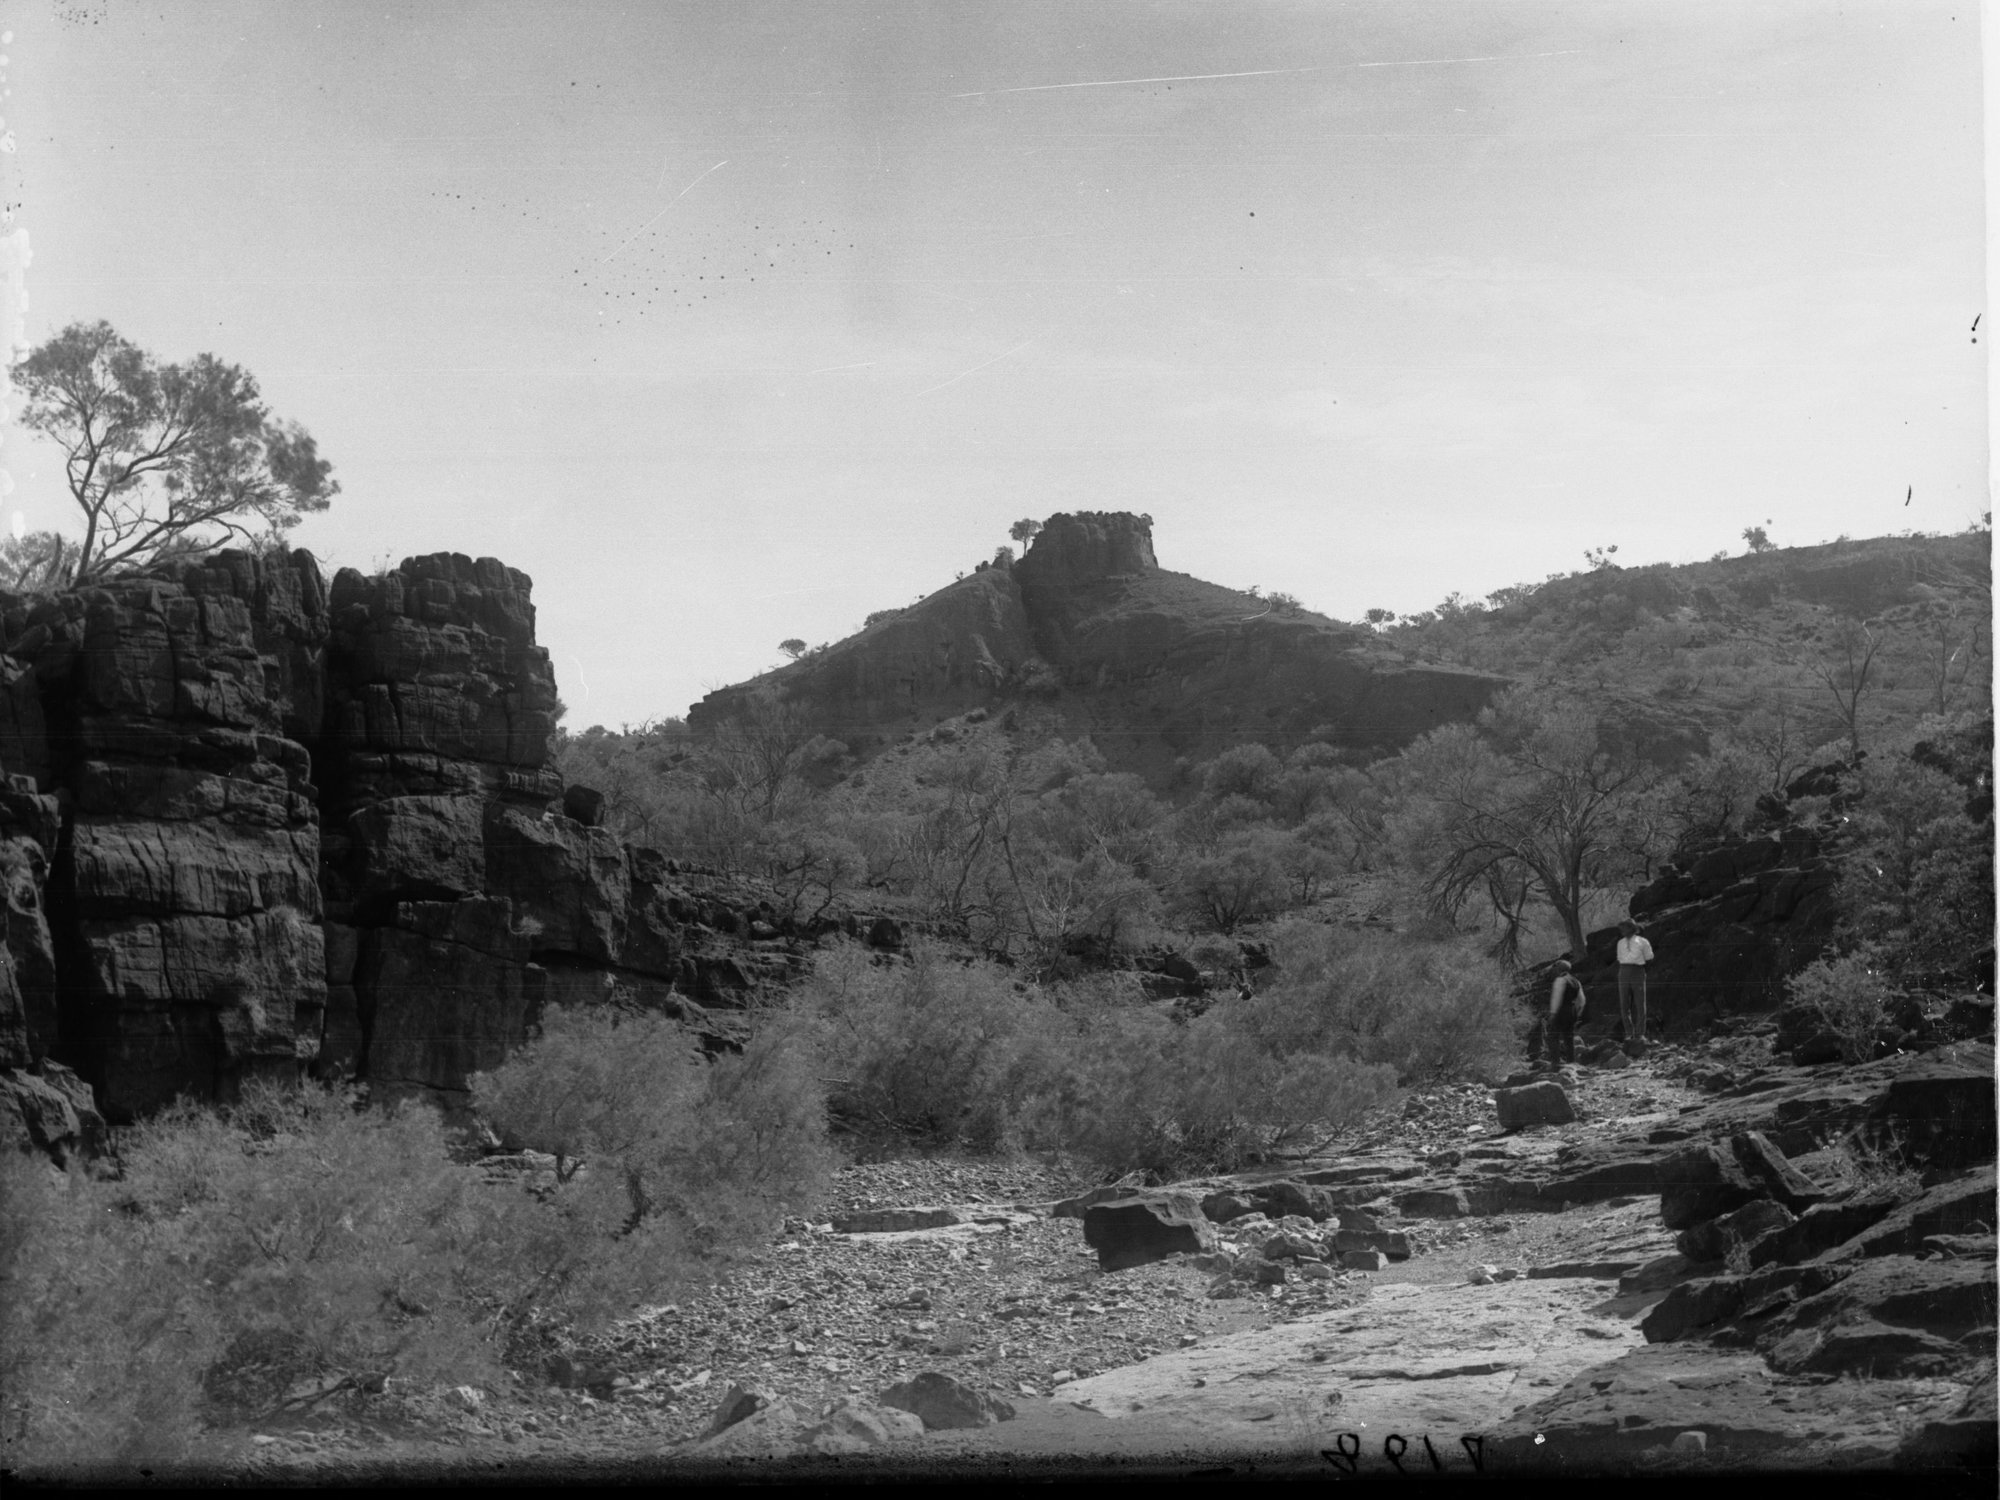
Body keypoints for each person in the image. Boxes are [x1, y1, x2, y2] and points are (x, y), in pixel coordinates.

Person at [1616, 920, 1655, 1043]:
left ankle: (1640, 1033)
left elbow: (1649, 958)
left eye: (1624, 928)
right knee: (1624, 1003)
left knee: (1639, 1003)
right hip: (1623, 971)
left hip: (1637, 970)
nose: (1622, 931)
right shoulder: (1620, 943)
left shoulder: (1642, 941)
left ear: (1631, 928)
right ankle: (1628, 1032)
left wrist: (1641, 970)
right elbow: (1619, 958)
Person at [1546, 959, 1586, 1064]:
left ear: (1558, 969)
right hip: (1572, 1011)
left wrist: (1553, 1014)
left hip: (1561, 1011)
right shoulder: (1576, 981)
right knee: (1569, 1038)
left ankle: (1555, 1063)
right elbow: (1581, 1001)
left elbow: (1556, 998)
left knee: (1552, 1037)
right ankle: (1571, 1062)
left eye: (1555, 967)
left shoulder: (1560, 980)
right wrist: (1578, 1013)